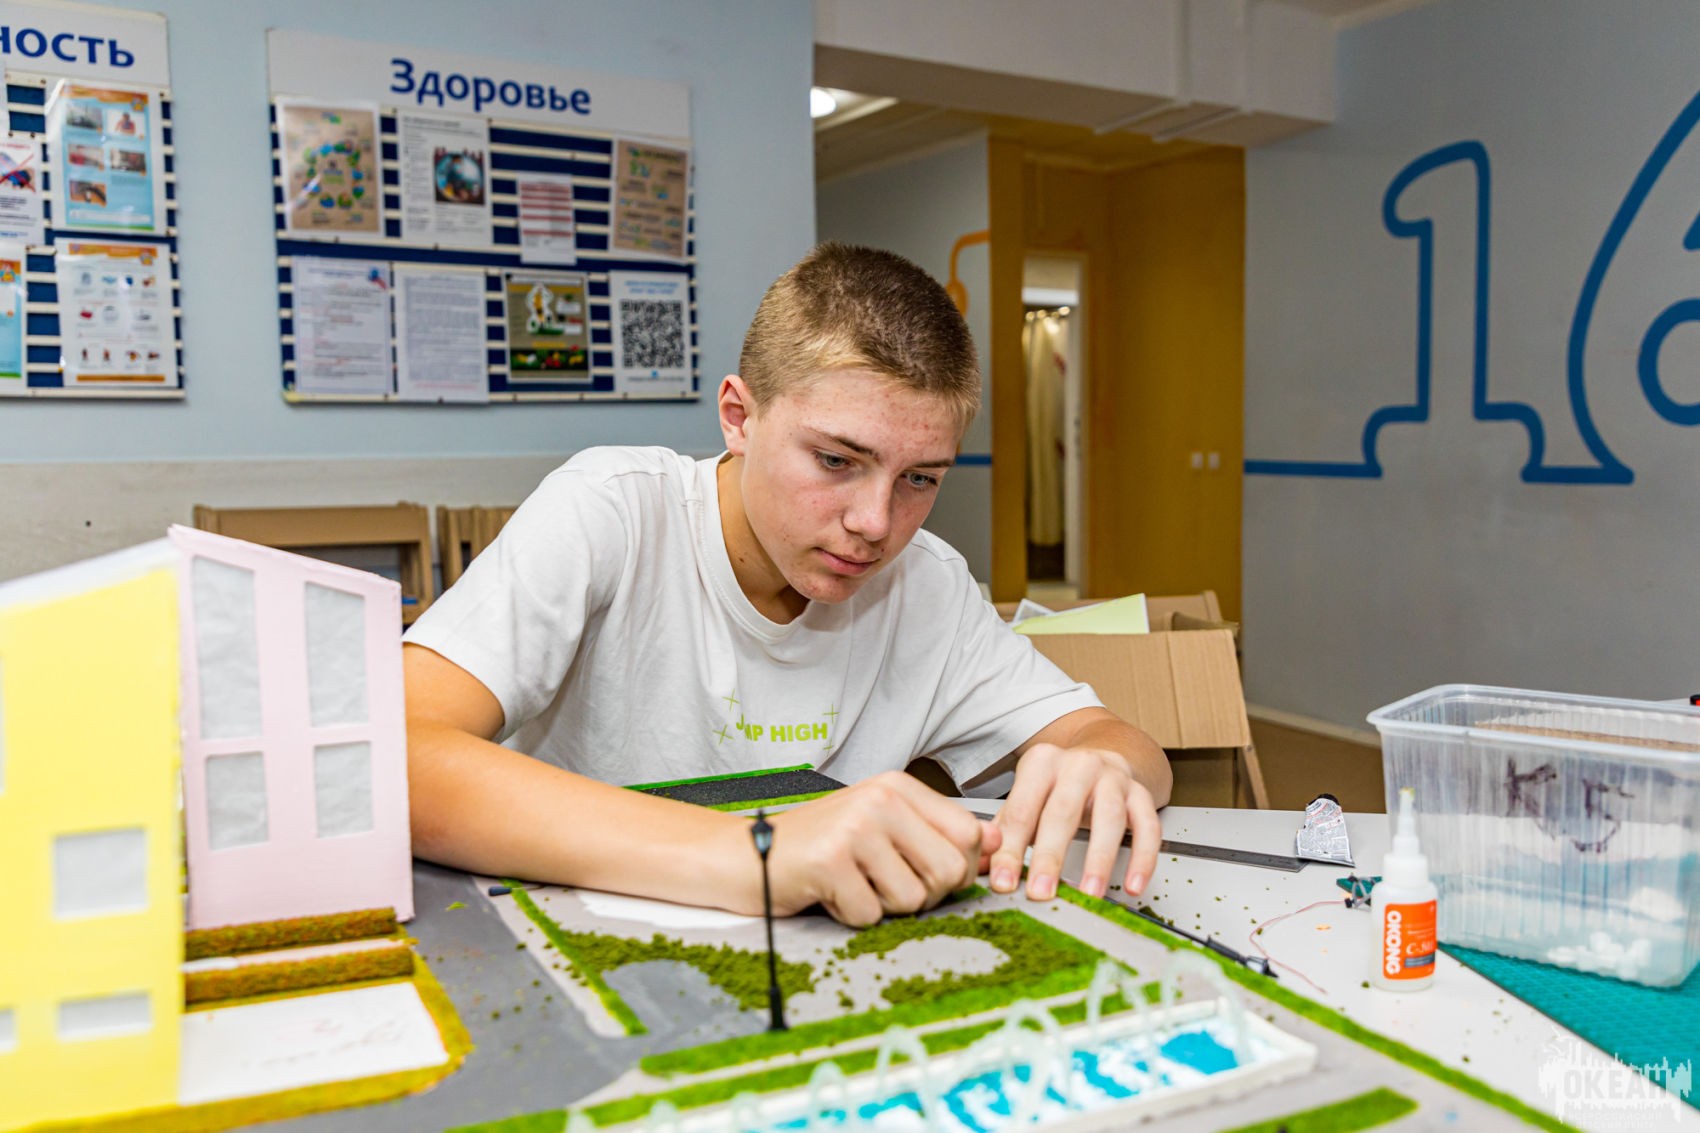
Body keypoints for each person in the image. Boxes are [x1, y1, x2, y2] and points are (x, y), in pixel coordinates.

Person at [404, 242, 1171, 927]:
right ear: (739, 417)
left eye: (920, 478)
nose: (875, 523)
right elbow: (397, 753)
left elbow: (1123, 744)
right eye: (836, 460)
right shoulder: (612, 510)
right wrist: (756, 854)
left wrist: (1102, 765)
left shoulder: (927, 584)